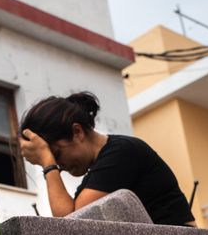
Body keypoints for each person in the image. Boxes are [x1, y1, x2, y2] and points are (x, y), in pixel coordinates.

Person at [18, 92, 195, 226]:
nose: (60, 167)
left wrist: (48, 164)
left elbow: (71, 222)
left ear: (77, 132)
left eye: (56, 154)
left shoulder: (121, 153)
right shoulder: (100, 169)